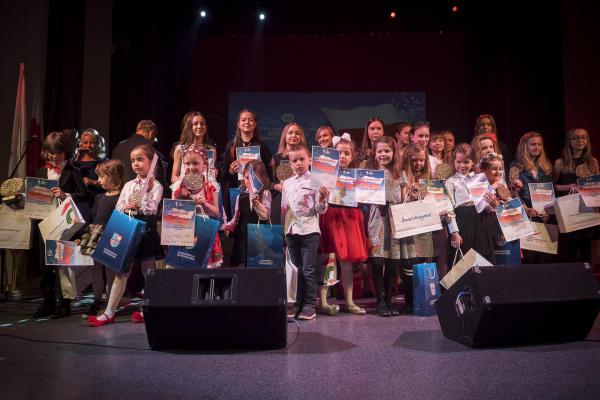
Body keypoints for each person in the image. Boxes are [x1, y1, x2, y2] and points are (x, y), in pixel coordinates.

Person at [89, 144, 163, 327]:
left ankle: (148, 309)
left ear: (150, 161)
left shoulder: (156, 186)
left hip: (146, 231)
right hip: (128, 231)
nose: (136, 164)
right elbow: (118, 206)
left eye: (140, 159)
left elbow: (152, 209)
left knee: (148, 272)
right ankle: (109, 312)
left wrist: (142, 200)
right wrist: (126, 206)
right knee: (122, 273)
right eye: (132, 160)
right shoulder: (129, 185)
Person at [32, 132, 89, 318]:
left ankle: (64, 305)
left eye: (58, 153)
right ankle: (47, 302)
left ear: (66, 152)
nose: (54, 157)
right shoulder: (41, 172)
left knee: (63, 265)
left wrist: (66, 194)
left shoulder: (73, 171)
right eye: (51, 153)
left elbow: (85, 195)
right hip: (44, 223)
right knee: (45, 266)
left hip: (64, 224)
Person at [318, 133, 368, 316]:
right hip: (331, 215)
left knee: (346, 261)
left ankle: (349, 301)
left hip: (350, 216)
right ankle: (323, 302)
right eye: (339, 153)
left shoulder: (357, 177)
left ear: (352, 156)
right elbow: (319, 201)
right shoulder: (324, 176)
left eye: (347, 153)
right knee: (328, 259)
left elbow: (366, 196)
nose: (343, 157)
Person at [282, 144, 329, 320]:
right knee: (298, 270)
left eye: (302, 159)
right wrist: (285, 232)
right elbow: (287, 209)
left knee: (308, 269)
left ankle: (310, 305)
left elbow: (320, 209)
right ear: (290, 164)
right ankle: (299, 303)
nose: (299, 163)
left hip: (309, 231)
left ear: (309, 159)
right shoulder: (287, 183)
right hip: (292, 231)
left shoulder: (316, 181)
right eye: (295, 161)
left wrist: (323, 199)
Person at [363, 136, 404, 316]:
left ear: (394, 153)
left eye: (387, 151)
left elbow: (403, 198)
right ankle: (380, 301)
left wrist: (411, 194)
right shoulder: (370, 172)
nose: (383, 154)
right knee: (378, 262)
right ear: (374, 152)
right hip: (377, 218)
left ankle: (389, 301)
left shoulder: (399, 173)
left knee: (391, 263)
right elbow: (362, 197)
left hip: (394, 219)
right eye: (380, 151)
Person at [83, 159, 126, 318]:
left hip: (111, 236)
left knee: (110, 272)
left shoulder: (121, 197)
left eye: (102, 177)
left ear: (114, 176)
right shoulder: (99, 197)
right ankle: (96, 300)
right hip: (97, 235)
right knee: (95, 269)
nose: (99, 181)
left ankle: (110, 303)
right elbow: (94, 218)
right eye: (98, 177)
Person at [444, 143, 496, 265]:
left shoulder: (480, 179)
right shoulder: (451, 182)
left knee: (483, 259)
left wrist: (492, 205)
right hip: (463, 221)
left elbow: (488, 205)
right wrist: (454, 232)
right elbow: (449, 209)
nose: (462, 165)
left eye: (466, 162)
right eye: (458, 162)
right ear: (454, 162)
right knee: (464, 260)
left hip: (480, 220)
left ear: (473, 162)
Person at [172, 145, 223, 268]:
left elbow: (216, 212)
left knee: (204, 272)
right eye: (187, 164)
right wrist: (179, 196)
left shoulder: (211, 185)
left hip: (203, 230)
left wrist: (204, 203)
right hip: (183, 231)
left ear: (204, 164)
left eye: (195, 163)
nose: (191, 167)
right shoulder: (178, 185)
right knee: (182, 270)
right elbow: (172, 211)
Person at [553, 128, 599, 263]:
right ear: (569, 141)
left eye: (583, 137)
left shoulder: (593, 162)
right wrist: (567, 187)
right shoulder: (560, 163)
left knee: (586, 250)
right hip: (569, 212)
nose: (580, 141)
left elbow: (597, 186)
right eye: (576, 138)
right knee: (572, 250)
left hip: (588, 210)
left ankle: (588, 280)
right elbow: (552, 187)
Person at [221, 109, 273, 219]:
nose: (247, 122)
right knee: (240, 226)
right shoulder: (231, 146)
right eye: (243, 120)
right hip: (238, 192)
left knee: (257, 222)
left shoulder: (261, 146)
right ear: (238, 124)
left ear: (255, 124)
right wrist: (230, 171)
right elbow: (224, 175)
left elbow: (269, 171)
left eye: (250, 120)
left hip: (258, 193)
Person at [225, 160, 271, 267]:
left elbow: (265, 215)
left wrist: (257, 204)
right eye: (246, 178)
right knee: (241, 266)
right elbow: (236, 218)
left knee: (256, 267)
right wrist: (228, 226)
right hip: (242, 237)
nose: (249, 181)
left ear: (262, 178)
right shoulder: (241, 197)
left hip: (258, 237)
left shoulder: (265, 194)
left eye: (252, 178)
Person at [112, 120, 167, 187]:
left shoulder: (118, 147)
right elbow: (157, 179)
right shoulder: (151, 150)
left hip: (120, 192)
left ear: (137, 131)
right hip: (141, 193)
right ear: (151, 134)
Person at [170, 111, 217, 184]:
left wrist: (214, 172)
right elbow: (173, 177)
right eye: (195, 124)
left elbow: (210, 174)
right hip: (186, 191)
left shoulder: (211, 150)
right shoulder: (180, 149)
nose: (199, 126)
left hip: (205, 191)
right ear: (189, 126)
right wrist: (188, 184)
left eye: (202, 124)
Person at [271, 122, 307, 192]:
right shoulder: (276, 159)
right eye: (290, 133)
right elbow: (270, 181)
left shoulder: (307, 157)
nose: (294, 135)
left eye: (297, 133)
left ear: (301, 137)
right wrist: (276, 186)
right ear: (285, 136)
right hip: (283, 197)